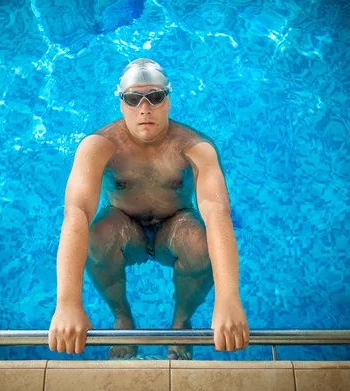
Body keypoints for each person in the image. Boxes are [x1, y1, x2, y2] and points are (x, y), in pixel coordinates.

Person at [48, 58, 250, 360]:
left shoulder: (195, 147)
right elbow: (76, 213)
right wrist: (67, 302)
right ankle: (122, 317)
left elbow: (217, 213)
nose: (145, 109)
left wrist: (228, 297)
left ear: (168, 101)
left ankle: (181, 322)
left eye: (155, 97)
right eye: (133, 99)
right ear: (121, 104)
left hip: (175, 227)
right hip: (123, 227)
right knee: (97, 237)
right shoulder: (99, 146)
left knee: (200, 242)